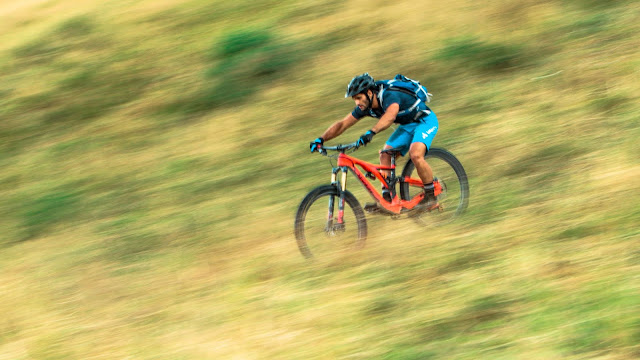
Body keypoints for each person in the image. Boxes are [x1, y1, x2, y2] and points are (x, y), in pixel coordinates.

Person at [309, 73, 439, 209]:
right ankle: (387, 200)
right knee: (385, 154)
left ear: (370, 93)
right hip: (408, 126)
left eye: (359, 98)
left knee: (416, 154)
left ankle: (431, 196)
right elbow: (342, 124)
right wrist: (321, 139)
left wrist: (371, 132)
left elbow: (390, 116)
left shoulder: (388, 95)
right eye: (354, 99)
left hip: (425, 121)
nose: (357, 102)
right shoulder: (365, 107)